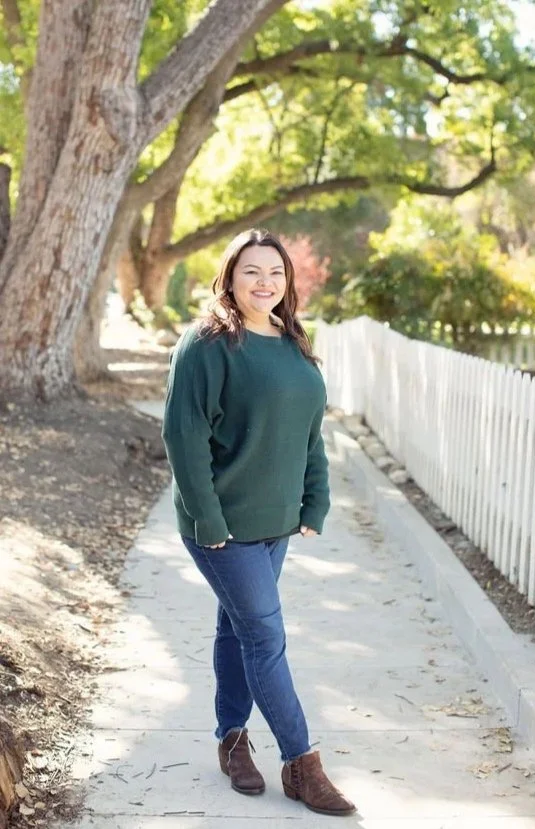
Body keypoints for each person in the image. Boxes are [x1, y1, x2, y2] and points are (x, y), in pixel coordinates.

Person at [162, 228, 356, 817]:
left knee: (238, 630)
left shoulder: (293, 339)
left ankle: (231, 740)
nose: (265, 282)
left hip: (276, 522)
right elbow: (184, 435)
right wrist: (207, 518)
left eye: (275, 271)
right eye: (252, 271)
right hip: (222, 524)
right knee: (265, 637)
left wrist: (314, 501)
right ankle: (302, 763)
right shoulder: (207, 343)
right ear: (230, 276)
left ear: (287, 281)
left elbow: (308, 432)